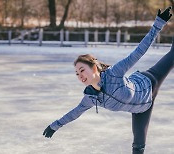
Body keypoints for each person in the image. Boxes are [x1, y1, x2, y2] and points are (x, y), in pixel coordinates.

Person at [43, 7, 173, 154]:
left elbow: (139, 51)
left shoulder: (114, 73)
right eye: (77, 74)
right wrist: (55, 125)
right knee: (138, 148)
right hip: (141, 110)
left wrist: (158, 24)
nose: (79, 76)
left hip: (149, 82)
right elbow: (74, 113)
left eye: (82, 70)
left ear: (93, 69)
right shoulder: (91, 98)